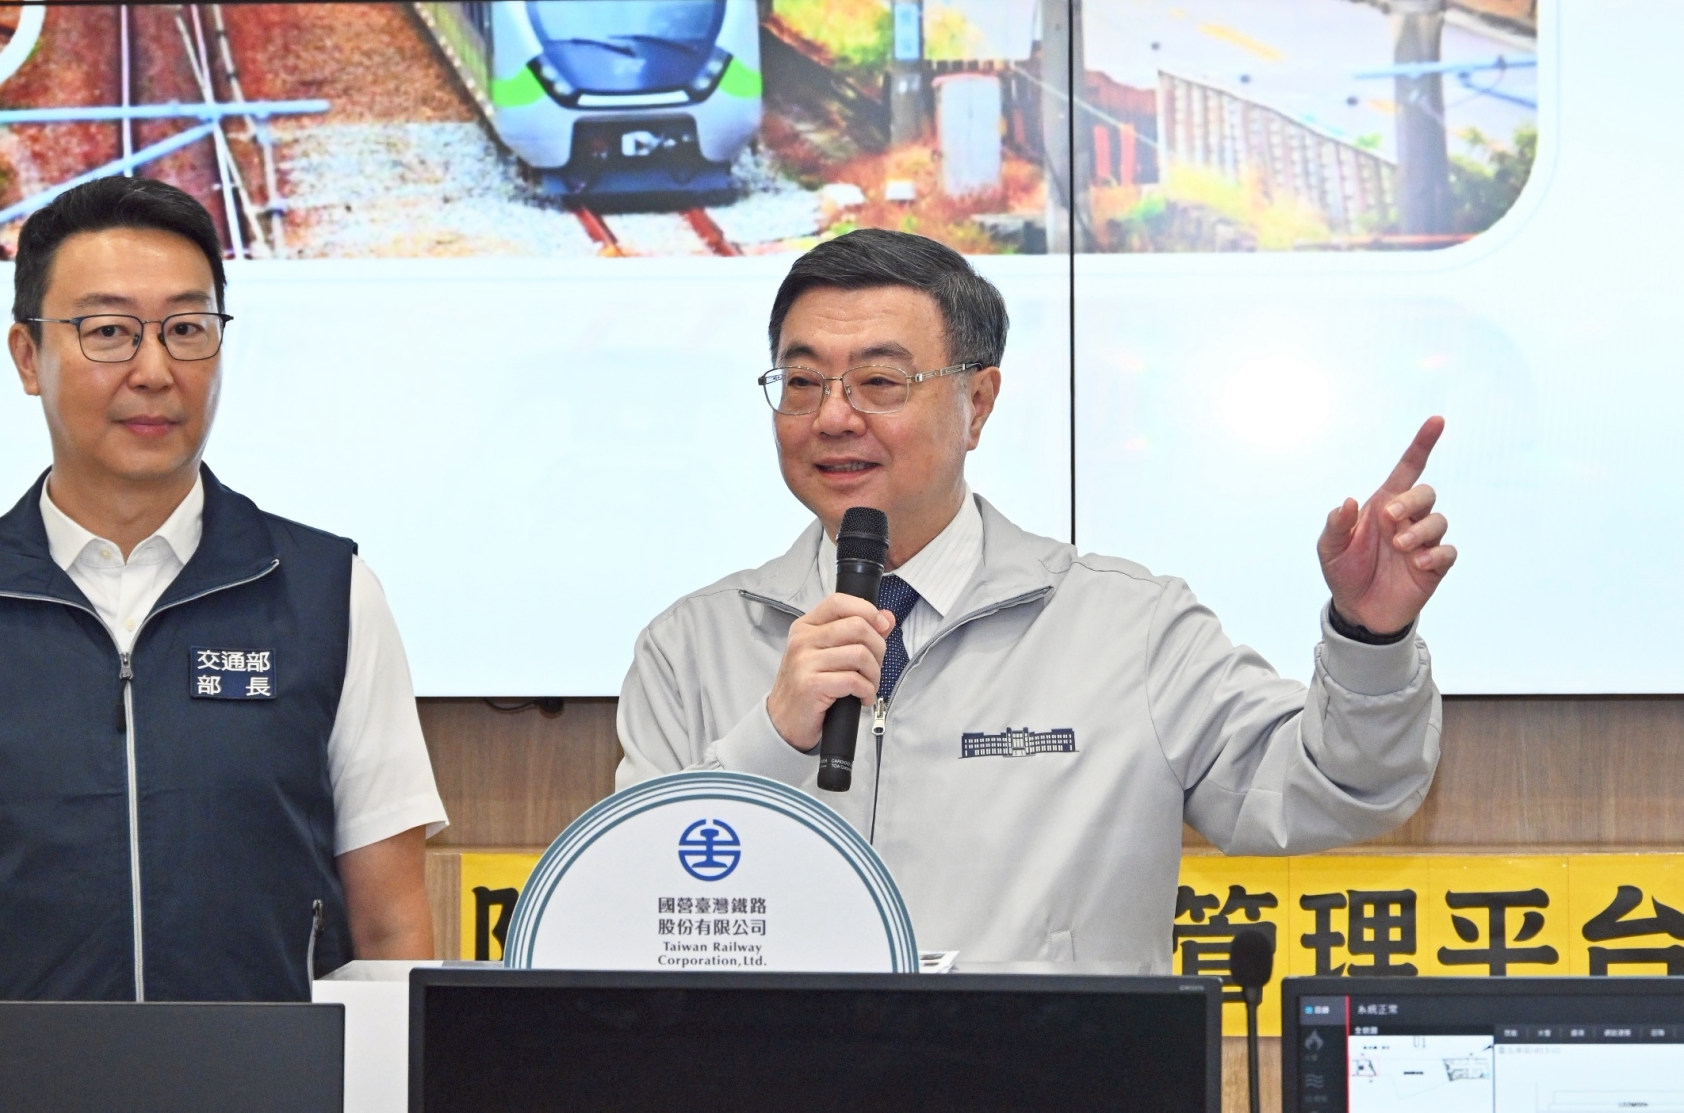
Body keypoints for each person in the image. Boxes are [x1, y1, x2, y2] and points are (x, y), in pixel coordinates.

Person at [615, 229, 1450, 971]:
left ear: (977, 403)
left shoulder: (1128, 628)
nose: (833, 417)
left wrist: (1370, 638)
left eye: (879, 380)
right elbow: (627, 918)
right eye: (802, 381)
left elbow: (1340, 785)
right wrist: (771, 737)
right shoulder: (690, 647)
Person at [0, 179, 446, 1001]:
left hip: (268, 1073)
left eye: (187, 329)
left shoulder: (331, 597)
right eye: (109, 332)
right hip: (7, 1075)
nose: (154, 371)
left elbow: (391, 929)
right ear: (27, 356)